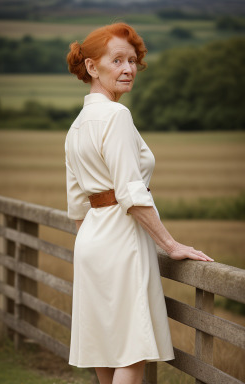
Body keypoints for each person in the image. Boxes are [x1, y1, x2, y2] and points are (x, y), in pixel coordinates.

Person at [65, 23, 214, 384]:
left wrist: (93, 248)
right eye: (117, 60)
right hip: (122, 241)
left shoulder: (78, 124)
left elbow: (76, 205)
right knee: (133, 349)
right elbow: (132, 192)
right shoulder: (116, 116)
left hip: (91, 243)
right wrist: (171, 244)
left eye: (132, 61)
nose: (128, 68)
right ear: (91, 67)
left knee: (105, 346)